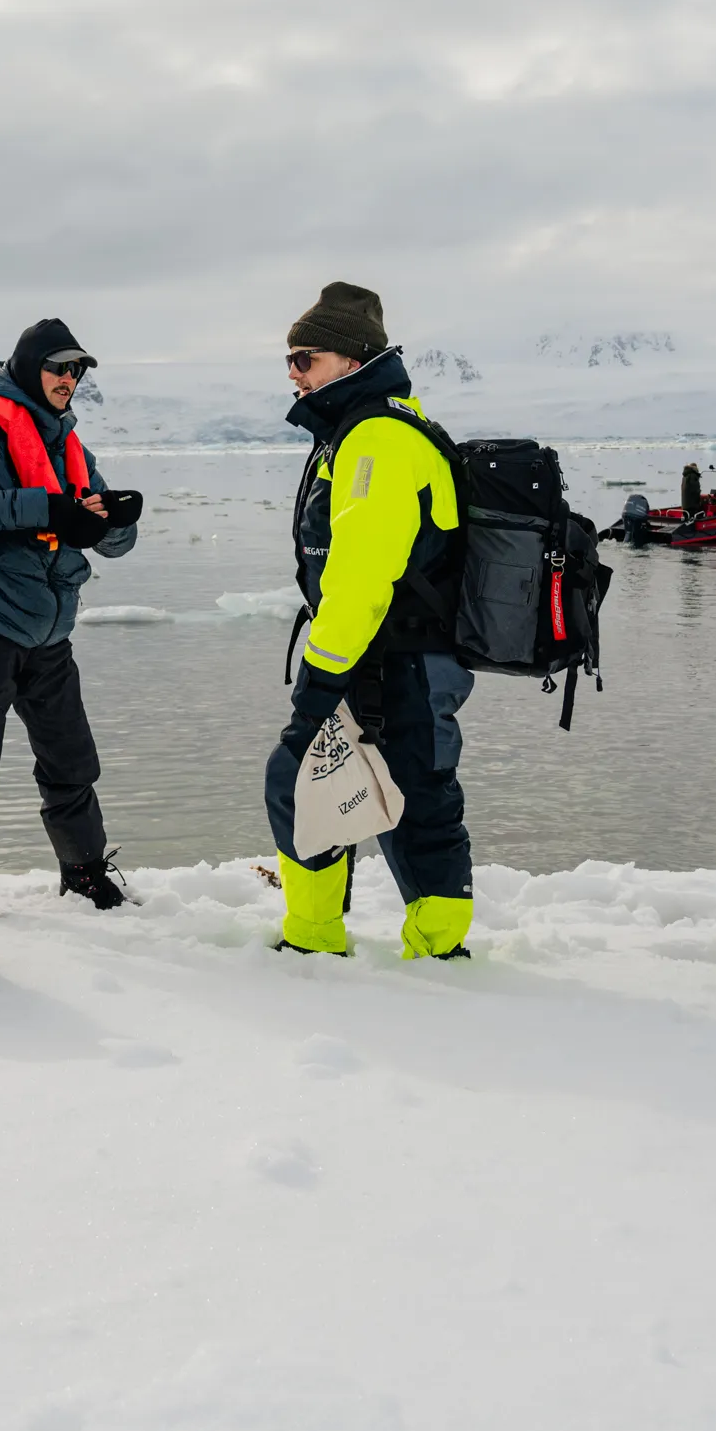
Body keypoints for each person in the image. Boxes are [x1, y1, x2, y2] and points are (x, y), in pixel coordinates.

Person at [263, 283, 475, 960]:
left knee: (370, 793)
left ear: (351, 359)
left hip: (392, 661)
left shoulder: (377, 439)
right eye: (289, 360)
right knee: (388, 794)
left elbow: (360, 576)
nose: (292, 373)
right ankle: (418, 944)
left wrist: (320, 681)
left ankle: (394, 946)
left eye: (305, 359)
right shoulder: (357, 430)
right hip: (391, 658)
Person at [0, 318, 144, 915]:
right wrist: (44, 507)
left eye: (77, 369)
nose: (69, 378)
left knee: (71, 761)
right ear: (29, 368)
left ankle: (86, 877)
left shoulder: (69, 443)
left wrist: (113, 520)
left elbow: (107, 543)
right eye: (58, 366)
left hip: (51, 635)